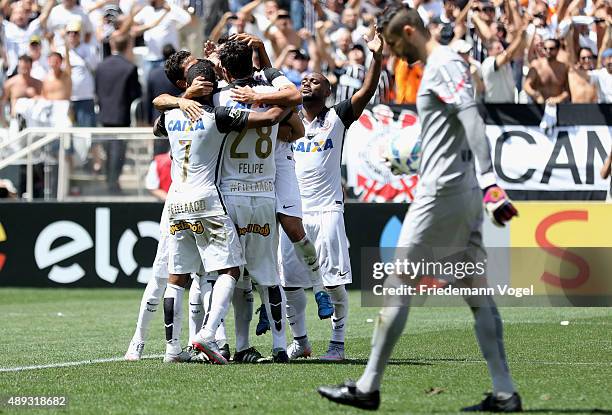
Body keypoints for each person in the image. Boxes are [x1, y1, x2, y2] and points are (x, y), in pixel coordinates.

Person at [318, 5, 521, 412]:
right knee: (476, 293)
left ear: (410, 31)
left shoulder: (443, 63)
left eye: (394, 43)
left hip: (441, 194)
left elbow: (473, 120)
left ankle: (368, 386)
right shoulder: (444, 64)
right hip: (458, 191)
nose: (394, 52)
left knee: (396, 286)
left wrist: (492, 183)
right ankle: (504, 392)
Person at [158, 59, 289, 363]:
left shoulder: (168, 117)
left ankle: (172, 350)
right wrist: (288, 102)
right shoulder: (216, 116)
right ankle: (208, 335)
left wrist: (180, 98)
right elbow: (269, 119)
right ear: (211, 86)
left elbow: (158, 107)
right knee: (230, 270)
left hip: (176, 202)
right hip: (208, 201)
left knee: (176, 277)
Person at [277, 28, 383, 362]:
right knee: (290, 282)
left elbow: (366, 91)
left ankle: (336, 345)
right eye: (304, 80)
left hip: (326, 211)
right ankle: (301, 341)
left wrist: (377, 56)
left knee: (334, 281)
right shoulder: (288, 121)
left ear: (328, 91)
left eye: (315, 81)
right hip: (293, 214)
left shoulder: (335, 118)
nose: (307, 83)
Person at [94, 33, 142, 194]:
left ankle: (110, 180)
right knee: (117, 152)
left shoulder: (101, 66)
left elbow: (97, 90)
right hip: (121, 116)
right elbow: (135, 94)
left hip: (105, 115)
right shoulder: (130, 67)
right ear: (127, 47)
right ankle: (113, 183)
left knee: (109, 151)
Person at [481, 26, 527, 103]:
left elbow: (514, 52)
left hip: (508, 105)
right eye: (498, 48)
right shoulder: (488, 62)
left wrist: (522, 37)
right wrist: (519, 37)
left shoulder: (506, 61)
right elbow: (508, 54)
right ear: (490, 51)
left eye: (502, 47)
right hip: (494, 107)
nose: (502, 49)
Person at [523, 38, 570, 104]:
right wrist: (536, 95)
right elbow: (526, 86)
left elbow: (567, 91)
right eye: (545, 48)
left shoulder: (564, 68)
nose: (548, 51)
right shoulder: (536, 65)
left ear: (557, 50)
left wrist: (559, 99)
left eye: (551, 49)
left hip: (557, 106)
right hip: (538, 106)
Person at [1, 55, 42, 127]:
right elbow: (2, 103)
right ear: (19, 67)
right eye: (22, 67)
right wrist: (3, 122)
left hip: (34, 120)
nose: (24, 70)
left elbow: (44, 101)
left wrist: (35, 95)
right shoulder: (10, 83)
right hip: (16, 120)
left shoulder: (38, 84)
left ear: (31, 66)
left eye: (27, 68)